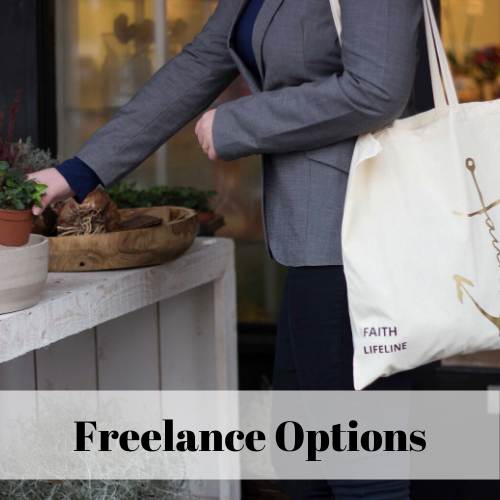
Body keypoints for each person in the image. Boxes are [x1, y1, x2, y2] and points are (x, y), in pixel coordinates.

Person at [31, 1, 422, 498]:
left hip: (363, 236)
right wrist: (78, 172)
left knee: (359, 470)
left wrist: (238, 123)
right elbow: (203, 60)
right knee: (307, 464)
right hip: (316, 241)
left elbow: (377, 90)